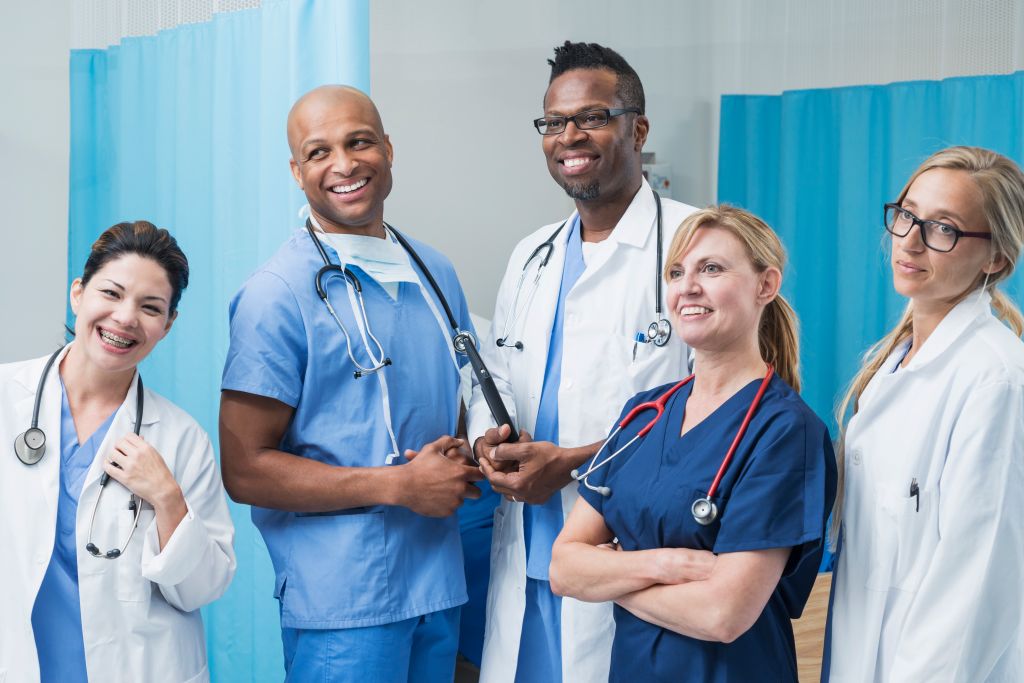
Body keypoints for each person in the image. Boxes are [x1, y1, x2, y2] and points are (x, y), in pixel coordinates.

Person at [219, 85, 482, 682]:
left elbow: (462, 398)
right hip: (344, 600)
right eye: (319, 152)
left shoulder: (434, 272)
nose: (343, 164)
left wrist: (472, 452)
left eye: (359, 141)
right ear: (296, 171)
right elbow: (245, 469)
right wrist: (399, 486)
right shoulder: (276, 294)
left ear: (388, 148)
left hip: (437, 581)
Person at [468, 41, 698, 682]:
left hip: (631, 552)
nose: (570, 136)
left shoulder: (696, 242)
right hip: (527, 552)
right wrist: (489, 444)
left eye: (593, 117)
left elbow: (723, 414)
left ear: (638, 128)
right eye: (554, 122)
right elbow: (502, 385)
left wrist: (571, 464)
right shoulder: (531, 256)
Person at [550, 205, 837, 682]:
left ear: (766, 285)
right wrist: (669, 563)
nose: (688, 287)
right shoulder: (644, 413)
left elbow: (721, 615)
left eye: (712, 268)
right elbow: (563, 567)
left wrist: (610, 577)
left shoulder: (786, 431)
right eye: (677, 272)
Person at [0, 221, 236, 682]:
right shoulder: (6, 399)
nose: (126, 318)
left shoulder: (181, 438)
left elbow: (202, 588)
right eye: (111, 293)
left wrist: (169, 499)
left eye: (150, 308)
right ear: (78, 294)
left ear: (167, 325)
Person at [825, 146, 1024, 681]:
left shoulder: (996, 378)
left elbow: (975, 581)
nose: (908, 240)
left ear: (996, 259)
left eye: (944, 229)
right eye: (907, 215)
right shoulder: (891, 363)